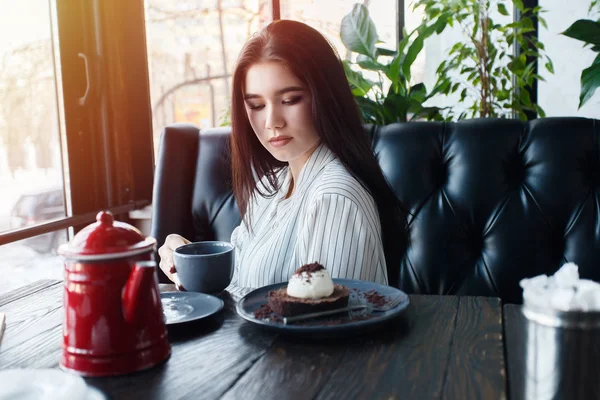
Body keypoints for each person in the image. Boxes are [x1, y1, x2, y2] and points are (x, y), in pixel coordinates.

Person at [158, 19, 408, 294]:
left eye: (290, 100)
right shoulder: (272, 186)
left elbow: (325, 326)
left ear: (326, 97)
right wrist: (187, 263)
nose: (271, 122)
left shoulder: (334, 198)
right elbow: (234, 287)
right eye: (256, 105)